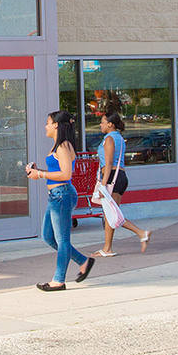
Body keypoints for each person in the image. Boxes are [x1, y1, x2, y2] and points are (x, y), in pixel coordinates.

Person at [25, 110, 94, 291]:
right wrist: (37, 171)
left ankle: (59, 280)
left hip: (62, 195)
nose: (45, 126)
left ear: (56, 125)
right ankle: (83, 261)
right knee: (48, 236)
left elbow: (66, 174)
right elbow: (57, 172)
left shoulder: (63, 146)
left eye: (48, 122)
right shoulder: (58, 145)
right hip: (56, 195)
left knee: (62, 239)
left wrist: (39, 174)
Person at [93, 110, 151, 255]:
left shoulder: (109, 139)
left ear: (110, 124)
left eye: (103, 122)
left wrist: (102, 185)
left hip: (112, 177)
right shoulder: (118, 137)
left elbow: (109, 162)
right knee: (109, 214)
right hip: (118, 177)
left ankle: (141, 233)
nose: (100, 125)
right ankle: (107, 248)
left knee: (113, 214)